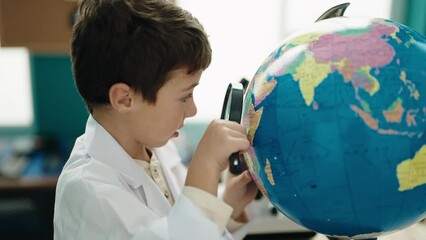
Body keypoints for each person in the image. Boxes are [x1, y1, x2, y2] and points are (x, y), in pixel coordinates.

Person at [53, 0, 258, 239]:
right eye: (185, 96)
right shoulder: (86, 192)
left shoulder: (158, 149)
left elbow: (177, 225)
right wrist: (205, 166)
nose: (192, 109)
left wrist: (227, 205)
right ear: (125, 99)